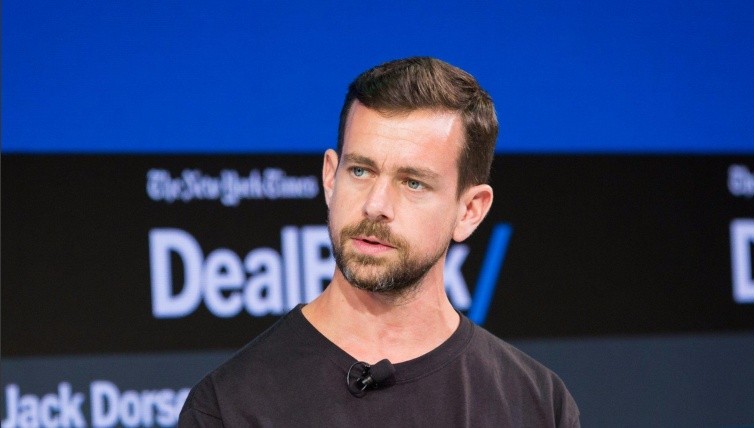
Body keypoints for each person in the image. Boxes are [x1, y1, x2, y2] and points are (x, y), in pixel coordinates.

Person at [179, 57, 580, 427]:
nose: (376, 205)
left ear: (469, 210)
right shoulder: (229, 406)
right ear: (330, 178)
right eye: (360, 171)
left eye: (413, 182)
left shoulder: (537, 405)